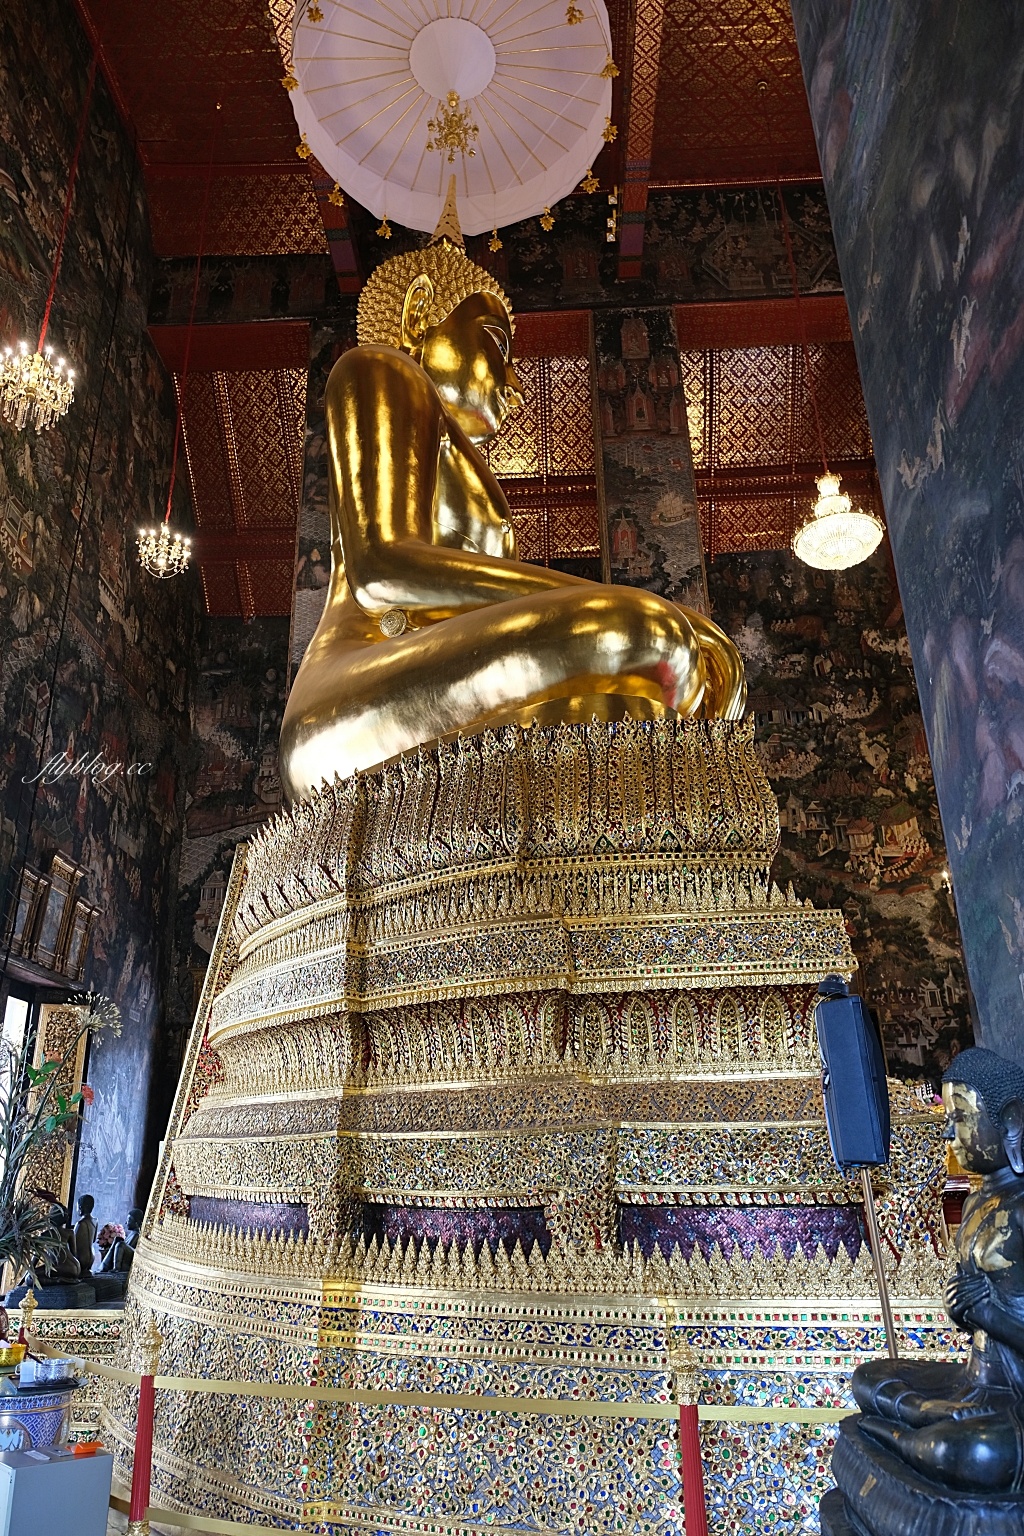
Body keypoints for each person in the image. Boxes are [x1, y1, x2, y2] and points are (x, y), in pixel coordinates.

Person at [279, 179, 746, 802]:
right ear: (419, 315)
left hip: (441, 681)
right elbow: (380, 570)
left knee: (661, 672)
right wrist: (605, 596)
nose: (515, 384)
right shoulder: (380, 370)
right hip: (353, 686)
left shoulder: (454, 446)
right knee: (647, 634)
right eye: (496, 346)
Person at [853, 1046, 1024, 1492]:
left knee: (969, 1453)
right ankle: (928, 1417)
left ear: (1011, 1122)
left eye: (961, 1116)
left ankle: (901, 1436)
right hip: (974, 1381)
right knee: (869, 1378)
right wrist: (961, 1309)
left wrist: (989, 1315)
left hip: (1015, 1399)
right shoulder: (973, 1201)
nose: (948, 1130)